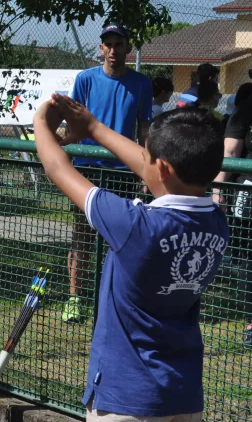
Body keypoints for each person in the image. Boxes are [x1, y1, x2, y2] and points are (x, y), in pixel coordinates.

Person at [34, 95, 227, 422]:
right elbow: (166, 171)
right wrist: (93, 127)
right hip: (184, 396)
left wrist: (41, 123)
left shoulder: (136, 226)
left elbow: (57, 167)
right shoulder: (217, 222)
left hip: (126, 401)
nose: (141, 163)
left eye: (147, 157)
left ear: (163, 168)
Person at [62, 23, 153, 324]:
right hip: (87, 170)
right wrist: (61, 146)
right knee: (82, 238)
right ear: (101, 48)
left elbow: (145, 130)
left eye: (119, 44)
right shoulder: (85, 79)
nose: (113, 50)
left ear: (129, 48)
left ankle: (118, 300)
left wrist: (146, 171)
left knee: (123, 240)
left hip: (123, 172)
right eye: (108, 44)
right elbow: (74, 124)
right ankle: (75, 299)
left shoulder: (141, 83)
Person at [213, 81, 252, 347]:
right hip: (248, 191)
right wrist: (218, 189)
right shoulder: (246, 109)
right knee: (249, 258)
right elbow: (230, 151)